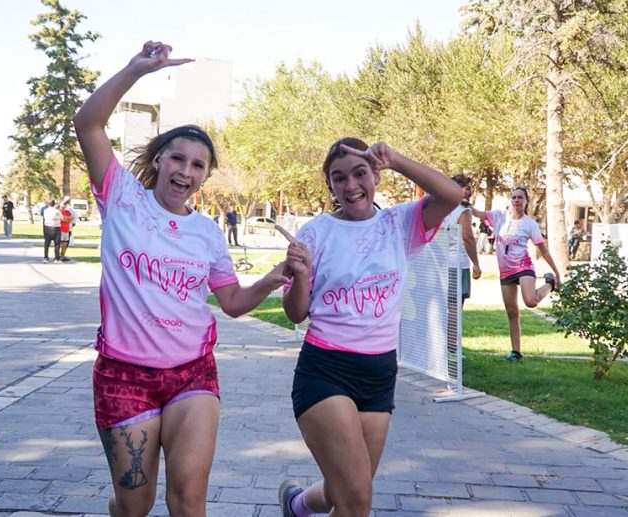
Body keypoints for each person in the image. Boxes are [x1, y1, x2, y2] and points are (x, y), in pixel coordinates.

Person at [73, 41, 289, 517]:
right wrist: (136, 70)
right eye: (177, 159)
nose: (185, 170)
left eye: (197, 165)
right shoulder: (122, 199)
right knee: (136, 505)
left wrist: (273, 279)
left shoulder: (207, 232)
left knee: (188, 499)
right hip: (123, 376)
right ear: (158, 161)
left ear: (205, 176)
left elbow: (230, 301)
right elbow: (87, 123)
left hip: (193, 373)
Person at [276, 137, 463, 517]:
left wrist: (395, 159)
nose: (351, 186)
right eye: (338, 178)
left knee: (343, 490)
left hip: (379, 374)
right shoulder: (316, 233)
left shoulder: (398, 223)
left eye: (360, 173)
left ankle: (296, 506)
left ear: (375, 175)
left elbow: (452, 195)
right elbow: (296, 314)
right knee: (358, 500)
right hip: (325, 371)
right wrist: (300, 273)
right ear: (329, 186)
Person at [469, 187, 561, 361]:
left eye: (520, 198)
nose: (517, 200)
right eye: (514, 198)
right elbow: (477, 212)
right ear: (510, 200)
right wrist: (463, 200)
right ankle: (516, 352)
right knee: (512, 312)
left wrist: (556, 273)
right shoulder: (498, 217)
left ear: (526, 201)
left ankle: (549, 283)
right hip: (505, 271)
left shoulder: (530, 224)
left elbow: (543, 249)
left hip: (523, 266)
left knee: (531, 301)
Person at [446, 174, 481, 305]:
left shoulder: (440, 207)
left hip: (439, 264)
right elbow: (467, 238)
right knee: (454, 310)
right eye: (466, 188)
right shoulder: (464, 210)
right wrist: (476, 264)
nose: (470, 192)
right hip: (457, 264)